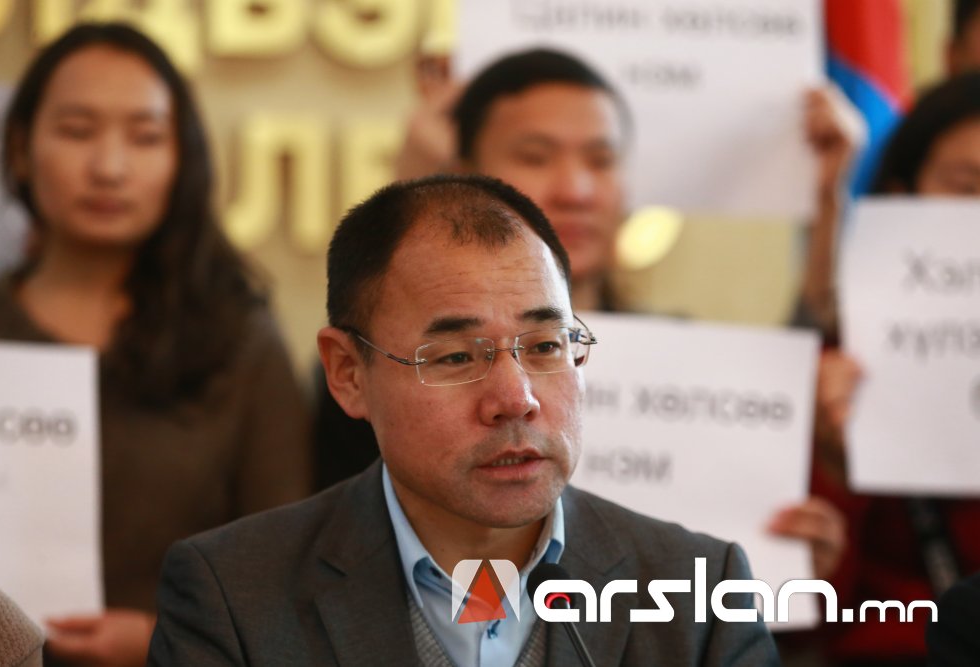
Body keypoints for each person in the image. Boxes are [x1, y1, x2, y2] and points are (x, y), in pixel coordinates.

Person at [148, 174, 779, 666]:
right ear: (348, 373)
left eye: (546, 346)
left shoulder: (698, 591)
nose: (516, 398)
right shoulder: (233, 594)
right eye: (455, 356)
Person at [312, 49, 849, 586]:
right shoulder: (385, 371)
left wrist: (781, 567)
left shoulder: (688, 354)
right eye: (535, 156)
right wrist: (413, 188)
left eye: (601, 160)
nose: (576, 190)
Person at [0, 23, 311, 665]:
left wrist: (161, 640)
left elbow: (291, 577)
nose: (109, 167)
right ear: (19, 150)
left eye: (145, 136)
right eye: (77, 130)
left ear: (182, 159)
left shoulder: (239, 342)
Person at [806, 72, 980, 666]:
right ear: (903, 195)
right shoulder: (837, 376)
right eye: (968, 187)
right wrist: (836, 468)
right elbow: (797, 615)